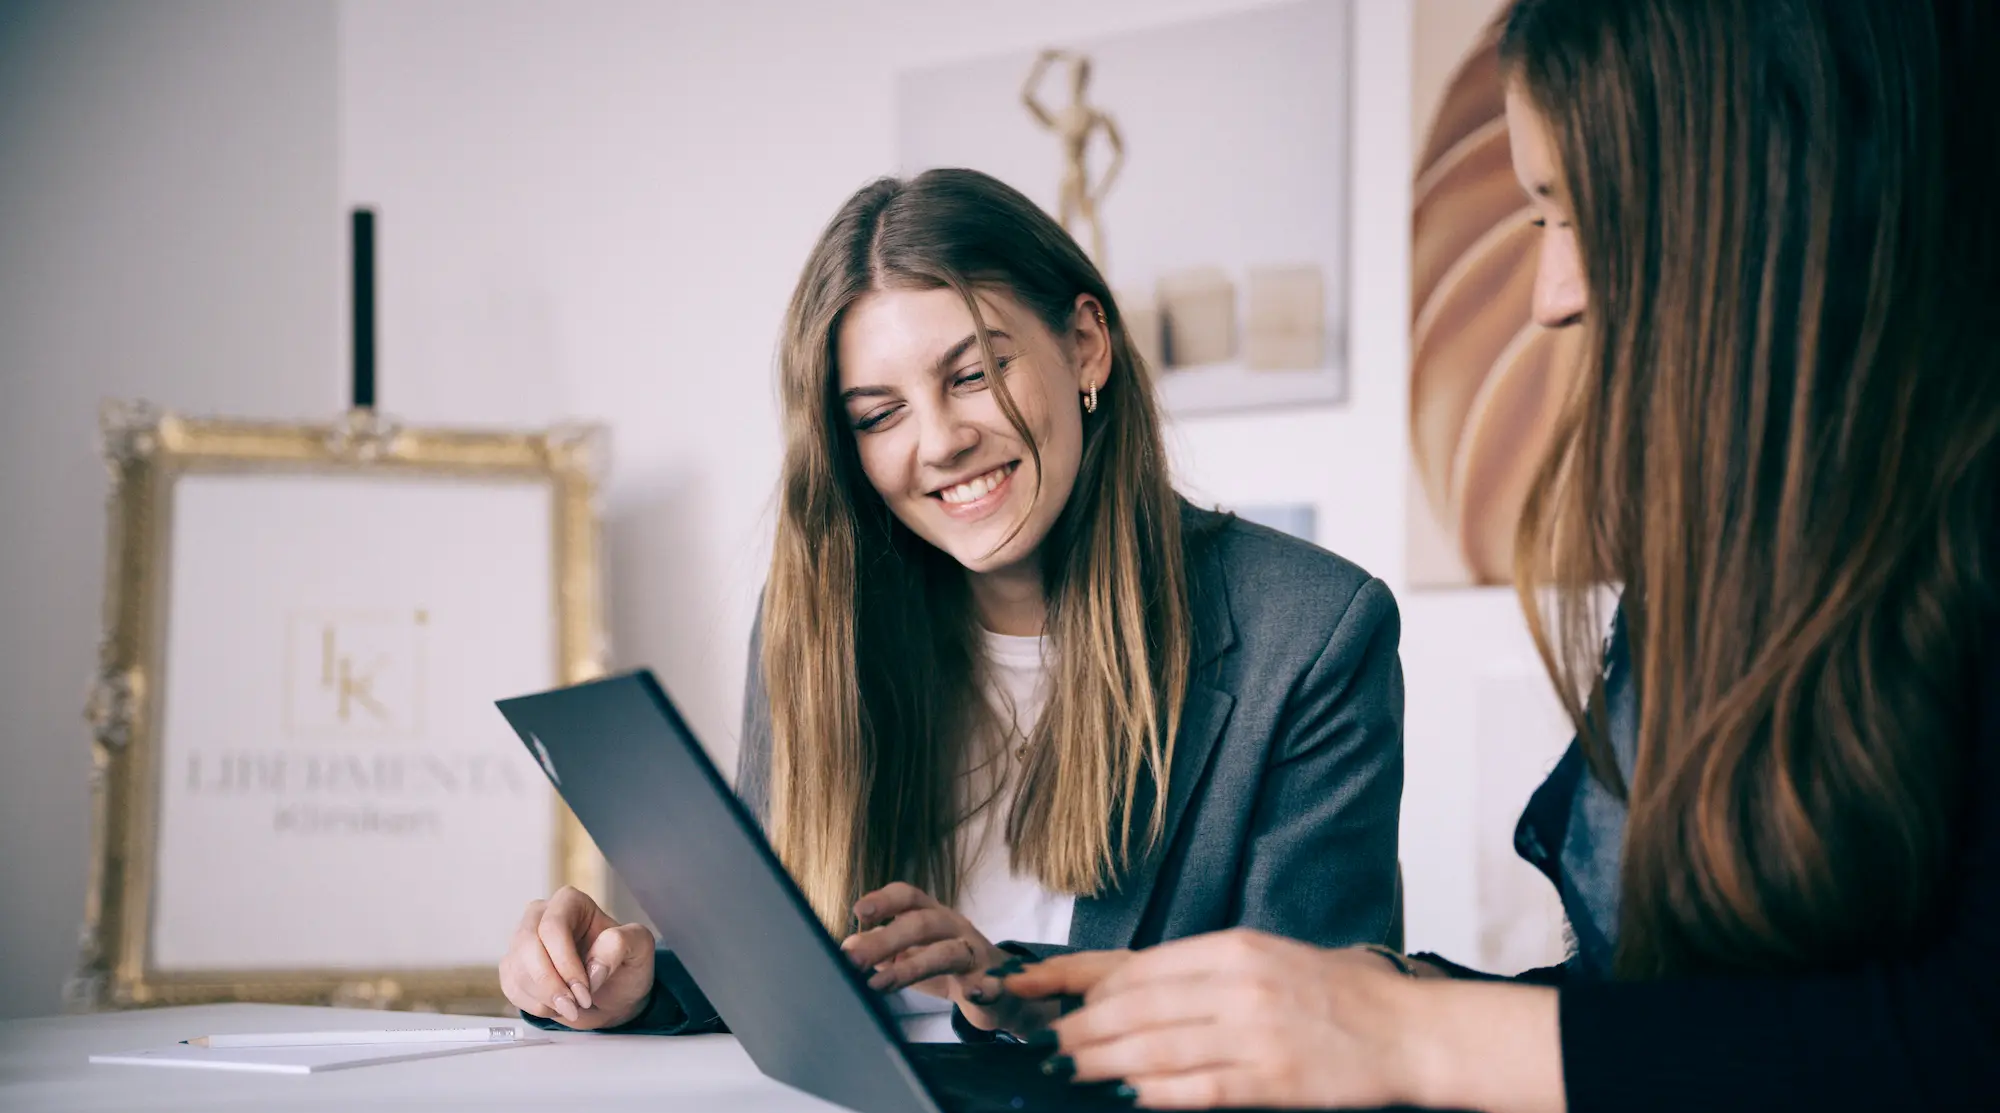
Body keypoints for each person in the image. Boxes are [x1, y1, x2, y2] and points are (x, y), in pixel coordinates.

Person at [1005, 0, 2000, 1113]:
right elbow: (1699, 1018)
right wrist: (1314, 1001)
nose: (1549, 295)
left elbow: (1956, 1043)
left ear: (1785, 199)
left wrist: (1412, 1029)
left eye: (1573, 214)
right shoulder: (1756, 547)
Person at [498, 168, 1407, 1043]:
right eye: (879, 414)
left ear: (1086, 344)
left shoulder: (1312, 631)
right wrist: (636, 978)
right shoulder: (817, 623)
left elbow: (1321, 1020)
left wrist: (1018, 989)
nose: (941, 442)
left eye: (974, 374)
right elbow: (791, 964)